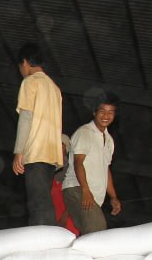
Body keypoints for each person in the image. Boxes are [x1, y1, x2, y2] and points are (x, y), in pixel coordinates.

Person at [11, 43, 63, 227]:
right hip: (51, 154)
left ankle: (43, 238)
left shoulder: (30, 82)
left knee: (38, 204)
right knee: (44, 199)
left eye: (20, 66)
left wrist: (19, 151)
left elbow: (26, 118)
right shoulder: (54, 88)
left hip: (36, 151)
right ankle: (47, 234)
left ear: (25, 62)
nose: (21, 71)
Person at [61, 95, 122, 233]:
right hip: (77, 189)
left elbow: (105, 169)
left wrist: (113, 197)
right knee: (97, 228)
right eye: (102, 111)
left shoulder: (109, 140)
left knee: (91, 233)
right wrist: (85, 190)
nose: (106, 116)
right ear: (95, 112)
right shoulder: (84, 133)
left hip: (92, 196)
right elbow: (78, 162)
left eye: (110, 112)